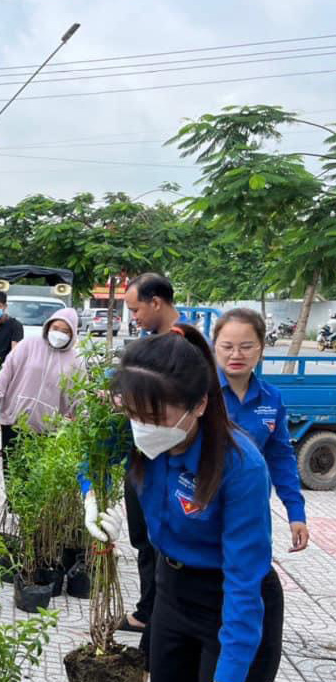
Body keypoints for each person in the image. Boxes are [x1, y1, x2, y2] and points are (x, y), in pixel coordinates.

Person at [87, 325, 280, 682]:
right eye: (134, 413)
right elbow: (92, 453)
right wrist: (88, 499)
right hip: (172, 592)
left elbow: (245, 579)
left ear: (198, 405)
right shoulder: (146, 426)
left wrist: (232, 676)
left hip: (231, 604)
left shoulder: (239, 465)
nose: (141, 427)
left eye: (156, 415)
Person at [118, 272, 182, 636]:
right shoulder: (150, 343)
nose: (134, 317)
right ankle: (148, 609)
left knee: (163, 541)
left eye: (136, 308)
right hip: (141, 457)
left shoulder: (182, 346)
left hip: (167, 460)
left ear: (156, 302)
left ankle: (161, 614)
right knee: (143, 538)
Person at [213, 309, 308, 551]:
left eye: (246, 346)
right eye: (227, 346)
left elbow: (281, 458)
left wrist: (296, 513)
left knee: (252, 582)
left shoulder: (271, 399)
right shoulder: (198, 394)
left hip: (251, 512)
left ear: (261, 349)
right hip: (202, 513)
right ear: (214, 348)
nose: (236, 354)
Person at [0, 308, 83, 486]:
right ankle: (12, 508)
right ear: (48, 326)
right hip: (15, 419)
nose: (59, 334)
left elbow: (79, 394)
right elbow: (7, 371)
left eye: (65, 331)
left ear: (73, 333)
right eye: (56, 328)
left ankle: (25, 512)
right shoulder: (30, 344)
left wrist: (83, 419)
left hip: (46, 427)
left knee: (35, 476)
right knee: (12, 469)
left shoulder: (75, 360)